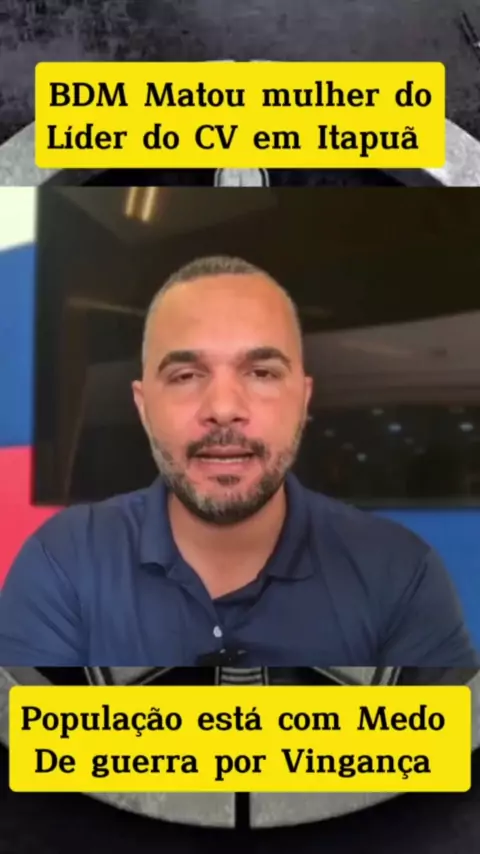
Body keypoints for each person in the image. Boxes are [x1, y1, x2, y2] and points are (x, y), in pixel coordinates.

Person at [0, 255, 477, 668]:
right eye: (186, 375)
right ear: (143, 408)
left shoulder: (400, 573)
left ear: (303, 399)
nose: (224, 407)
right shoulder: (63, 561)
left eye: (261, 372)